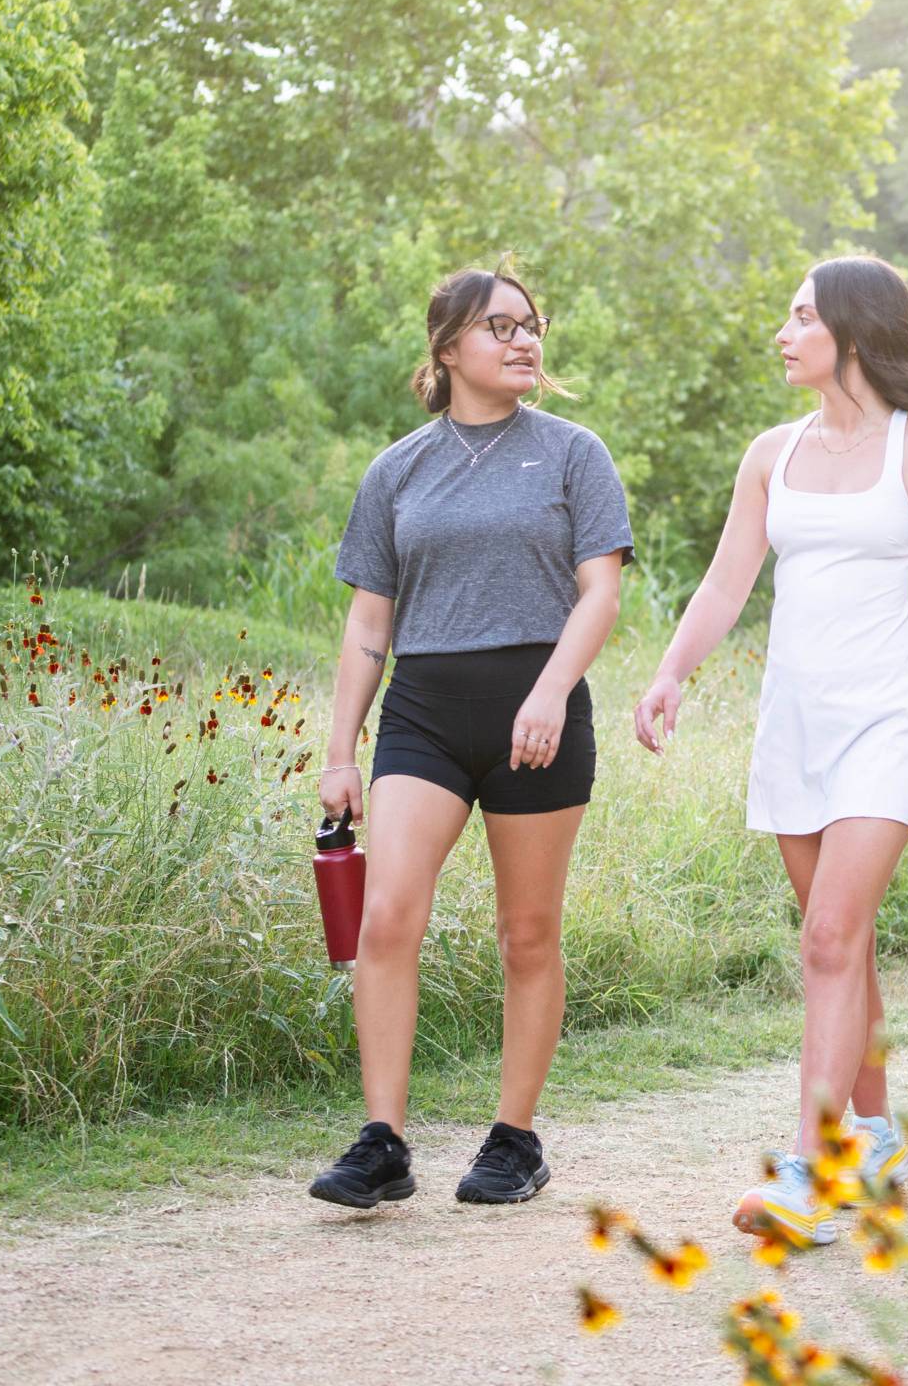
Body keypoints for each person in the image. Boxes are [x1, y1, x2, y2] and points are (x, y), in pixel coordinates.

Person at [633, 254, 908, 1251]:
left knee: (829, 941)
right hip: (793, 726)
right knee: (837, 940)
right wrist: (672, 673)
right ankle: (880, 1135)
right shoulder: (770, 453)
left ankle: (810, 1171)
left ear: (851, 329)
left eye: (800, 317)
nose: (783, 333)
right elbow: (725, 585)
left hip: (888, 720)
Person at [308, 262, 632, 1210]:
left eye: (532, 326)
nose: (524, 340)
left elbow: (601, 590)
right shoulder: (398, 469)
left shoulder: (575, 453)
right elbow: (370, 624)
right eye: (501, 327)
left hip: (539, 710)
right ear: (448, 347)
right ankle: (382, 1142)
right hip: (426, 710)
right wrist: (340, 752)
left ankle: (515, 1139)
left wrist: (551, 691)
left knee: (526, 933)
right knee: (386, 918)